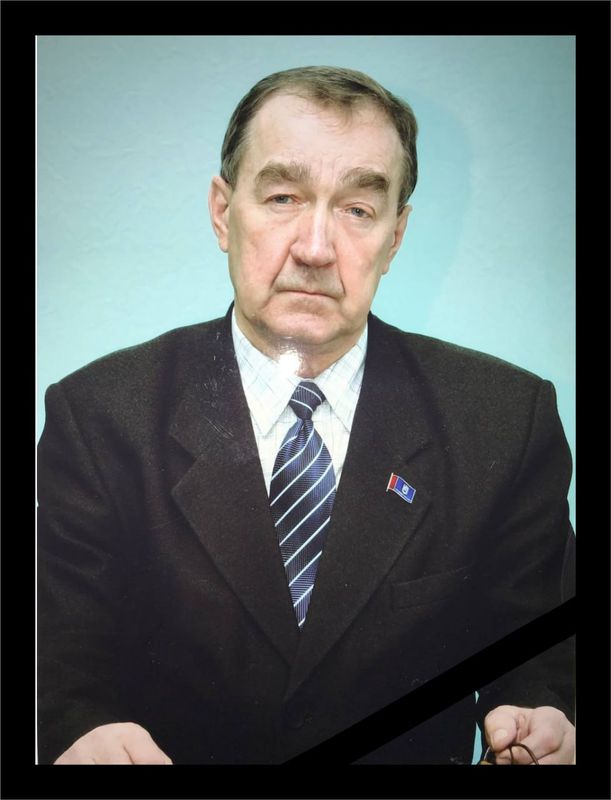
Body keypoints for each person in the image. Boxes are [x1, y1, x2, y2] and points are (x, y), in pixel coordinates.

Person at [37, 65, 575, 765]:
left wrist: (543, 714)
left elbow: (541, 651)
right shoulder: (98, 416)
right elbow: (58, 660)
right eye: (283, 197)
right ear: (223, 212)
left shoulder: (504, 418)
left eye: (358, 209)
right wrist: (78, 729)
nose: (316, 248)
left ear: (396, 236)